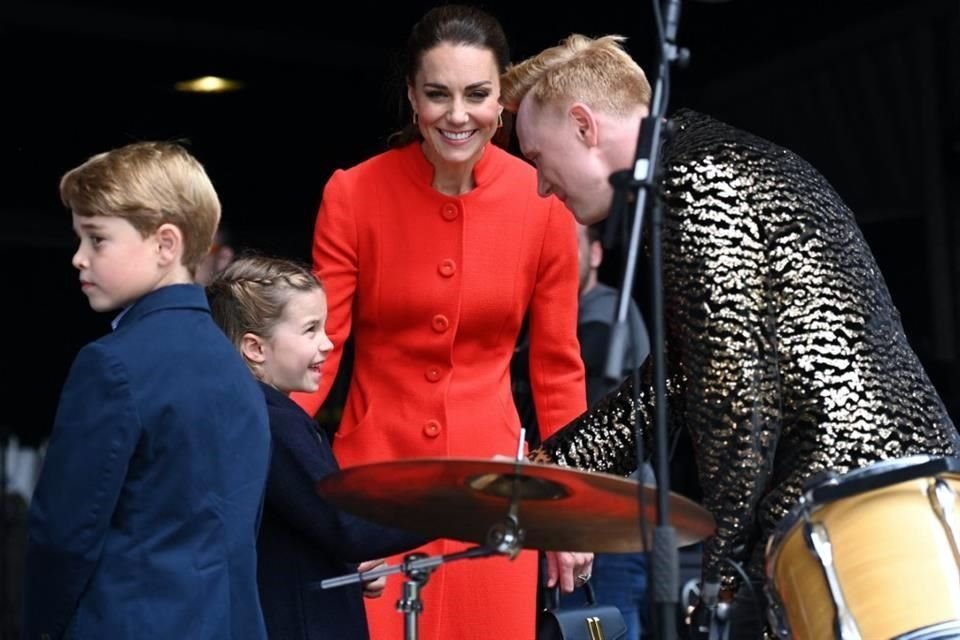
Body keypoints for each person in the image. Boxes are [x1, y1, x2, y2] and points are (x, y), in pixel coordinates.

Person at [501, 34, 960, 638]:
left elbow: (732, 388)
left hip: (853, 506)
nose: (540, 186)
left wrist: (720, 577)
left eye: (537, 158)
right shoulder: (716, 160)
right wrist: (550, 468)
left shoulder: (698, 179)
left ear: (584, 125)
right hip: (904, 494)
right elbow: (682, 375)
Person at [290, 6, 592, 638]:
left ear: (502, 99)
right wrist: (293, 486)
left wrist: (568, 515)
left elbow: (558, 370)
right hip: (372, 491)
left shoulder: (544, 203)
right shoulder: (352, 194)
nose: (458, 115)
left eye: (477, 95)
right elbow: (319, 350)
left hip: (493, 498)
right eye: (437, 95)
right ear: (411, 96)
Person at [23, 141, 272, 639]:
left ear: (165, 244)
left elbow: (65, 536)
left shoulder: (112, 365)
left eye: (96, 239)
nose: (78, 257)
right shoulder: (235, 366)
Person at [207, 255, 430, 640]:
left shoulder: (244, 415)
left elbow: (296, 534)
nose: (327, 343)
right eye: (310, 330)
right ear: (255, 348)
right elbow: (346, 525)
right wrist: (461, 506)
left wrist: (342, 565)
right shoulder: (276, 424)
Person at [559, 221, 654, 640]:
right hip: (572, 518)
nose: (558, 258)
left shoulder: (605, 312)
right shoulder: (546, 323)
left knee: (609, 628)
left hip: (612, 519)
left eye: (570, 247)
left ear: (596, 255)